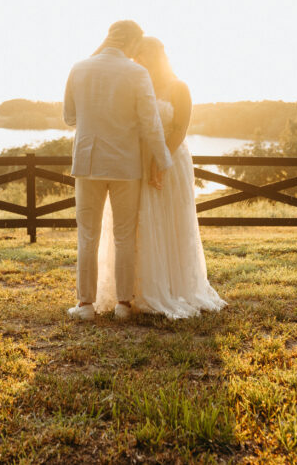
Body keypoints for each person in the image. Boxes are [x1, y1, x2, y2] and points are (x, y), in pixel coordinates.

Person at [95, 36, 226, 319]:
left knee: (170, 221)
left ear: (156, 56)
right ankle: (133, 291)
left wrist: (160, 158)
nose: (138, 61)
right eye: (135, 56)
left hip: (171, 159)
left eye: (143, 56)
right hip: (134, 162)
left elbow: (180, 128)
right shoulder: (136, 84)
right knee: (137, 223)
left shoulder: (179, 87)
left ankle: (171, 287)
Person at [63, 21, 173, 321]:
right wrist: (164, 162)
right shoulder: (138, 73)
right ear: (134, 42)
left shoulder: (79, 67)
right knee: (125, 235)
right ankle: (123, 304)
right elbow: (150, 123)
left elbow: (69, 117)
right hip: (126, 164)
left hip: (87, 162)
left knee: (87, 235)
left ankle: (85, 305)